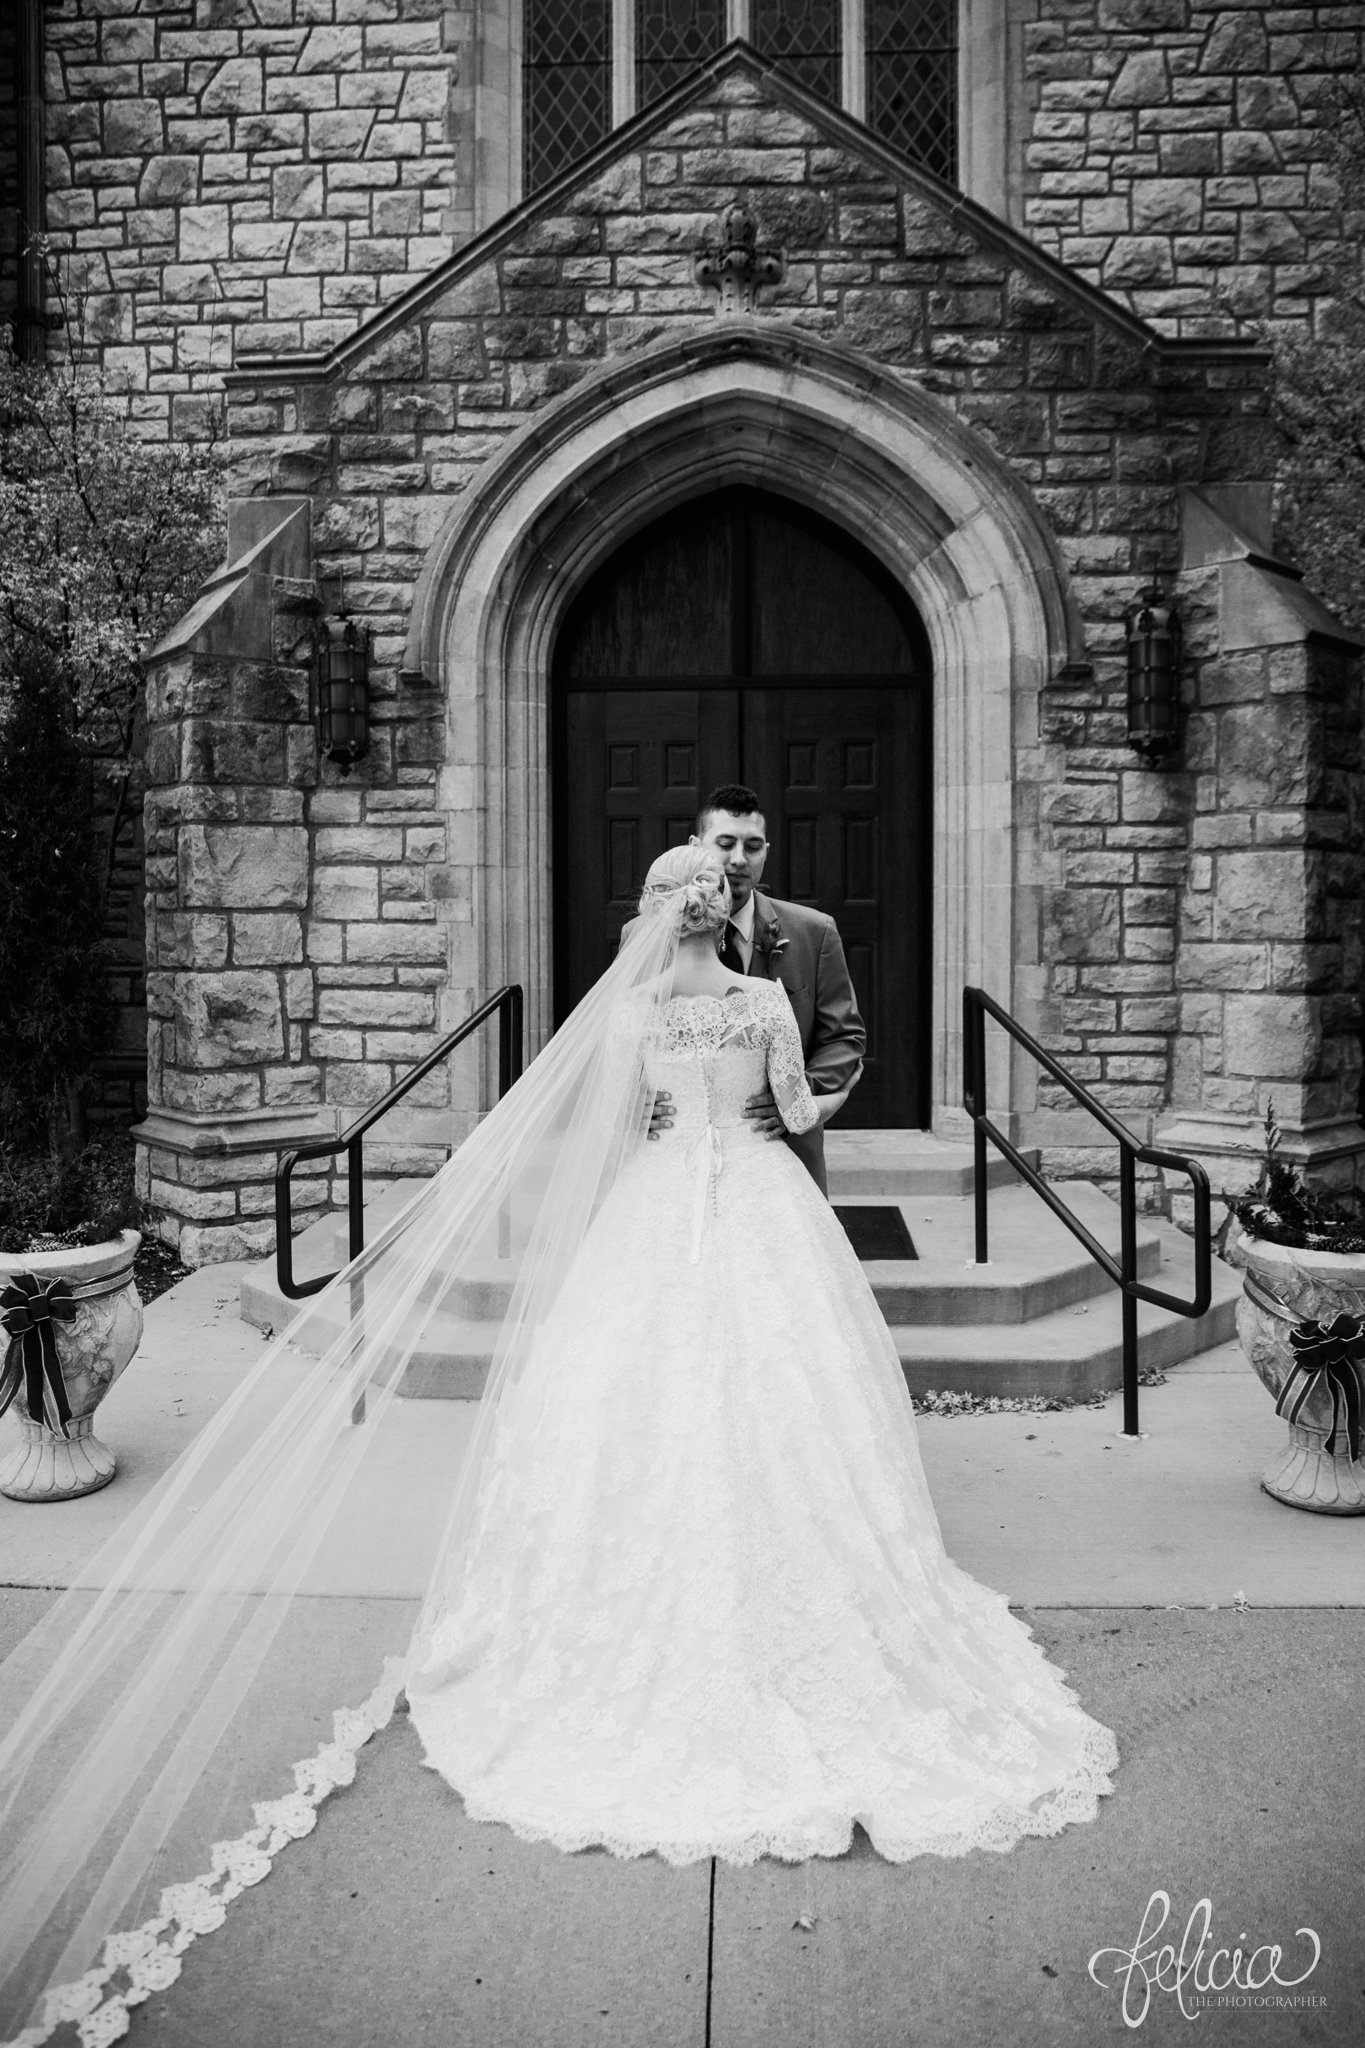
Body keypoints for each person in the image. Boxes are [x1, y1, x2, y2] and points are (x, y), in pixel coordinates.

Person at [0, 847, 1117, 2045]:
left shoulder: (633, 1011)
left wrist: (668, 1115)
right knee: (791, 1389)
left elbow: (625, 1123)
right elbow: (793, 1111)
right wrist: (784, 1106)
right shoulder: (761, 1001)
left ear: (652, 918)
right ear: (724, 911)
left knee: (629, 1400)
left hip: (652, 1219)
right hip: (757, 1206)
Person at [624, 784, 867, 1196]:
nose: (739, 859)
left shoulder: (814, 931)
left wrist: (793, 1092)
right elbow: (624, 1042)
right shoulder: (639, 935)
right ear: (696, 845)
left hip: (779, 1156)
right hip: (669, 1163)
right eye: (726, 843)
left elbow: (845, 1037)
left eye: (753, 846)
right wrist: (631, 1108)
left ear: (767, 851)